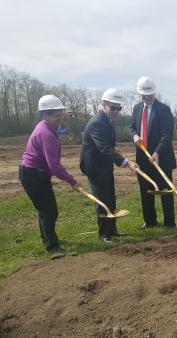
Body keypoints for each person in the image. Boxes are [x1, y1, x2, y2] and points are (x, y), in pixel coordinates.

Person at [19, 95, 80, 254]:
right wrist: (72, 181)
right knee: (49, 211)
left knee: (45, 210)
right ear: (45, 115)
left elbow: (51, 163)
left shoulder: (46, 127)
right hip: (33, 175)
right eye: (56, 116)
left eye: (61, 114)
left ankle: (49, 238)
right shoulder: (46, 133)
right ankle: (53, 247)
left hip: (34, 173)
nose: (60, 118)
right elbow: (54, 165)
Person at [80, 89, 138, 243]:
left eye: (118, 108)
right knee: (102, 201)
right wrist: (126, 162)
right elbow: (105, 149)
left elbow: (110, 146)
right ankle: (104, 234)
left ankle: (112, 231)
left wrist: (118, 153)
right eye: (113, 108)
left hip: (104, 165)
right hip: (95, 167)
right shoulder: (98, 122)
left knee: (110, 199)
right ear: (104, 104)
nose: (116, 111)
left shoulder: (107, 121)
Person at [130, 76, 176, 229]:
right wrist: (135, 135)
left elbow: (167, 135)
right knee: (145, 190)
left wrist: (157, 152)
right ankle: (150, 221)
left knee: (165, 190)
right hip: (143, 158)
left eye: (150, 94)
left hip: (161, 157)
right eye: (144, 95)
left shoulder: (164, 110)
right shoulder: (137, 108)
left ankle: (169, 222)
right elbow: (132, 127)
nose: (147, 97)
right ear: (140, 94)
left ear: (154, 93)